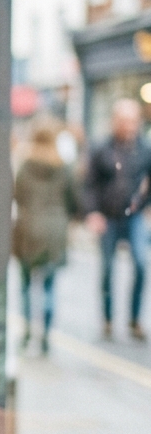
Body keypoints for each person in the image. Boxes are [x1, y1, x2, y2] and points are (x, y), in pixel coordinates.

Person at [83, 97, 151, 341]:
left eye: (133, 121)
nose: (128, 126)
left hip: (133, 216)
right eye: (124, 121)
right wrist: (93, 213)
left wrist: (145, 206)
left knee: (141, 265)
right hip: (108, 216)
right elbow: (89, 184)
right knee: (108, 268)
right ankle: (108, 319)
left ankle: (134, 319)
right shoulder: (101, 148)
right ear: (114, 121)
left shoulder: (145, 148)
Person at [13, 123, 78, 354]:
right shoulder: (64, 167)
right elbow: (74, 200)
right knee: (49, 286)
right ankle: (47, 336)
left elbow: (16, 195)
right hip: (54, 230)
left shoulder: (25, 166)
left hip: (27, 228)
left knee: (26, 285)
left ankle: (28, 331)